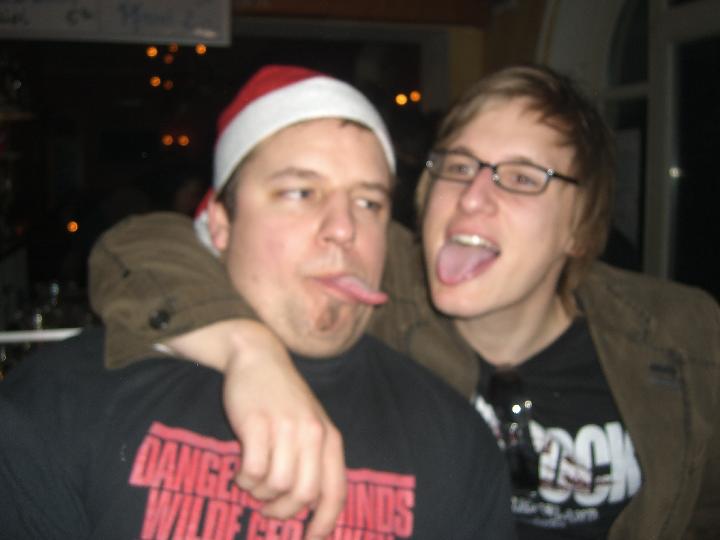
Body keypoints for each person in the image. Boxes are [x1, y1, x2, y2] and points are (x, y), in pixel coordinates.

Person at [87, 65, 720, 539]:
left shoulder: (685, 336)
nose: (473, 197)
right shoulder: (374, 277)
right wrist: (248, 351)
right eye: (458, 167)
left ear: (580, 227)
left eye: (523, 178)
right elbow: (144, 245)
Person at [0, 65, 515, 540]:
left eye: (368, 202)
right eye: (300, 193)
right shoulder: (64, 399)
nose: (344, 228)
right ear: (221, 225)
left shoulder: (454, 440)